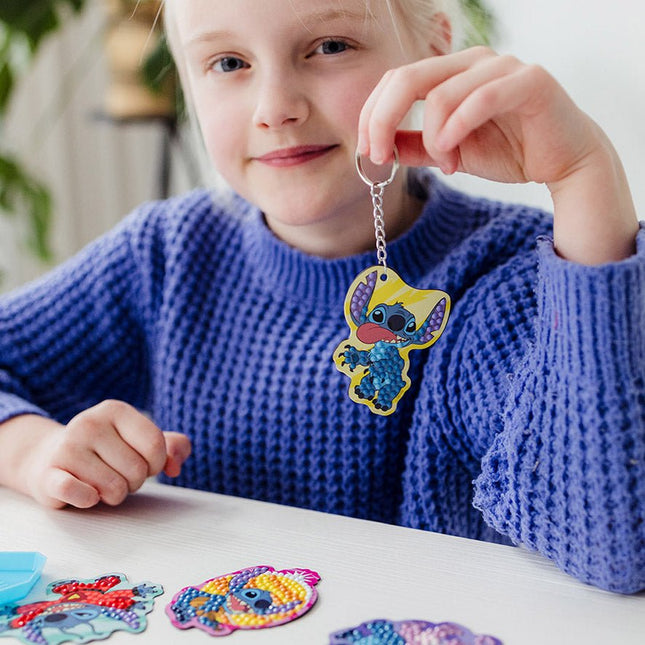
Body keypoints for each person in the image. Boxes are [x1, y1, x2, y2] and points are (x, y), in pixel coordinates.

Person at [0, 0, 642, 594]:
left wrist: (585, 178)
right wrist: (38, 454)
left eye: (331, 46)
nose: (275, 107)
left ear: (431, 54)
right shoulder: (165, 257)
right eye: (228, 63)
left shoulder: (510, 276)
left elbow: (610, 540)